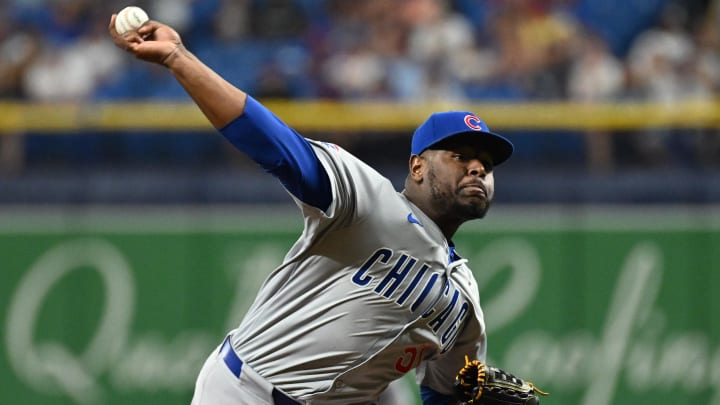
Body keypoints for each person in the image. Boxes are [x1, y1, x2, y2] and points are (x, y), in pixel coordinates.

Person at [109, 13, 513, 405]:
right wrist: (179, 59)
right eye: (460, 155)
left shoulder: (465, 302)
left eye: (486, 164)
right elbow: (276, 146)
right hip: (245, 393)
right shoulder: (367, 198)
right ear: (417, 166)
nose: (477, 167)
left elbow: (446, 392)